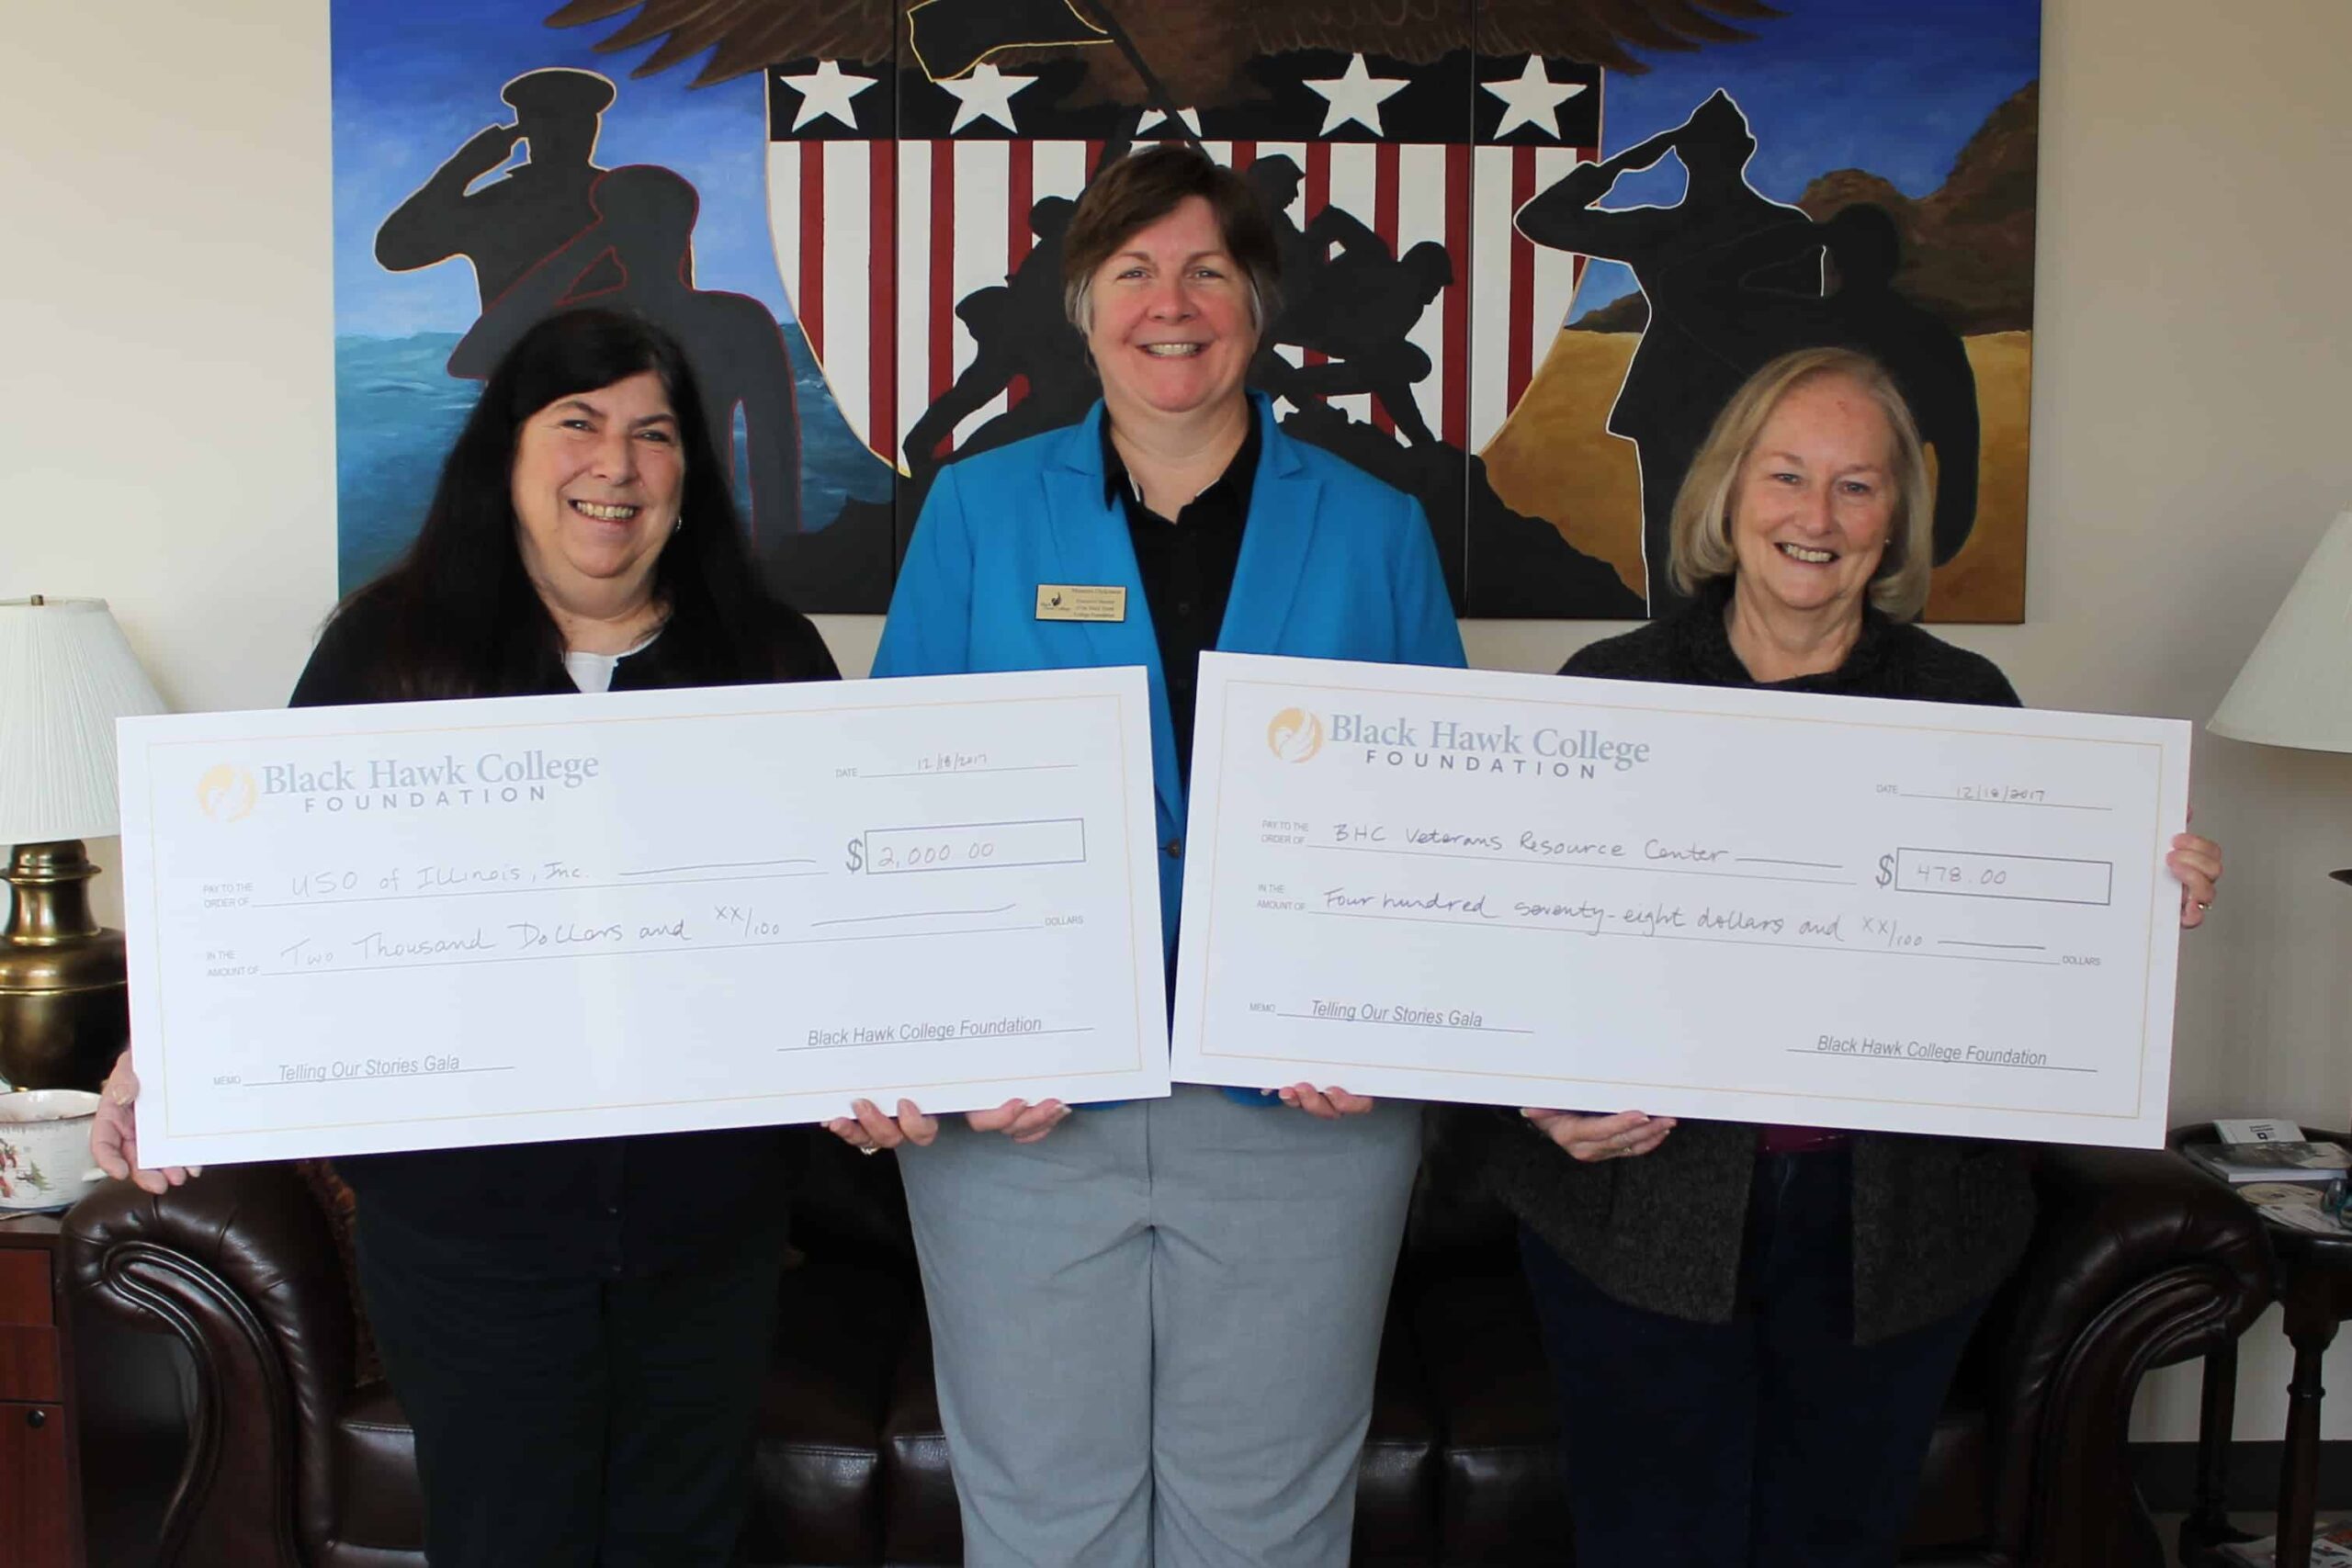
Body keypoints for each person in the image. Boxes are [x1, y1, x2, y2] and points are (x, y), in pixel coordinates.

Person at [89, 307, 839, 1568]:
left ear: (689, 476)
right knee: (507, 1536)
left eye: (655, 435)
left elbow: (839, 914)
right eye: (579, 423)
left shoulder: (767, 657)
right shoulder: (389, 650)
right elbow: (279, 890)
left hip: (706, 1223)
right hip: (468, 1227)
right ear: (507, 452)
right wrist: (161, 1042)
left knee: (684, 1536)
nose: (618, 464)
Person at [1481, 344, 2224, 1567]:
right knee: (1652, 1540)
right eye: (1786, 475)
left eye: (1857, 485)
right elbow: (1520, 955)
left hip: (1895, 1229)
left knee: (1838, 1538)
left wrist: (2140, 897)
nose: (1815, 517)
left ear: (1895, 522)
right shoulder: (1610, 689)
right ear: (1727, 495)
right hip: (1635, 1218)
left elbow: (2021, 950)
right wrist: (1536, 1094)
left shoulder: (1965, 700)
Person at [834, 145, 1465, 1566]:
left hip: (1304, 1116)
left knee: (1267, 1527)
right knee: (1044, 1520)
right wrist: (938, 1036)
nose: (1170, 304)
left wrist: (1392, 1020)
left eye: (1207, 271)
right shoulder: (979, 514)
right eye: (1133, 271)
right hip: (1026, 1112)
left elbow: (1435, 827)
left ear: (1261, 303)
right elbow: (897, 817)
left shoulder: (1378, 528)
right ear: (1080, 301)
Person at [1516, 90, 1813, 613]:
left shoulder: (1658, 228)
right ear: (1743, 149)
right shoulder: (1786, 229)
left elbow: (1543, 218)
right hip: (1743, 398)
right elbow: (1798, 329)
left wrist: (1626, 163)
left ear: (1683, 153)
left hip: (1690, 397)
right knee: (1737, 541)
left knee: (1679, 543)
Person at [376, 68, 616, 310]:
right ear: (526, 129)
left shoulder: (626, 195)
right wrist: (461, 169)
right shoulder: (497, 205)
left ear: (591, 126)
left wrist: (461, 169)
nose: (563, 131)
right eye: (547, 118)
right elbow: (394, 250)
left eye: (577, 118)